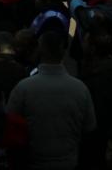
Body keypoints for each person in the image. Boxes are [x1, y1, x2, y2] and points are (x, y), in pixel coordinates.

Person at [7, 31, 96, 169]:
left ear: (40, 49)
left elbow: (9, 125)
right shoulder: (81, 89)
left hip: (33, 163)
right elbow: (89, 129)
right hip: (70, 163)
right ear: (63, 51)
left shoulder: (23, 88)